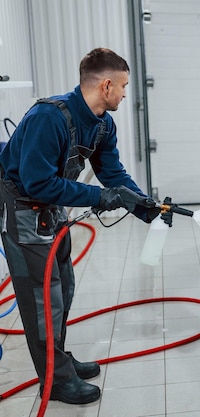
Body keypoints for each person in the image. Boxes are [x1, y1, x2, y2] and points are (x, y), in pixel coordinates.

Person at [0, 48, 161, 405]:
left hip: (52, 209)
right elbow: (37, 182)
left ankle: (58, 360)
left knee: (63, 289)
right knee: (43, 299)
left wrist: (144, 206)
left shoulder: (102, 122)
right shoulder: (49, 117)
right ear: (106, 85)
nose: (124, 93)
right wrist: (98, 197)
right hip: (26, 210)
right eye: (123, 86)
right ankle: (55, 381)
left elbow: (113, 173)